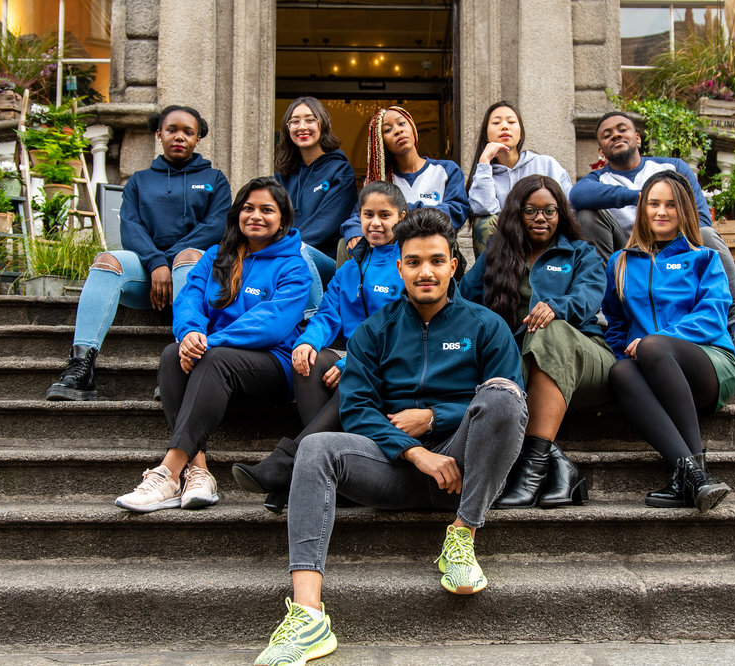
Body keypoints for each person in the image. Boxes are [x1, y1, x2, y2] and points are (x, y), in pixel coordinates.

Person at [252, 209, 527, 666]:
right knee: (316, 447)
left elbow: (510, 403)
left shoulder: (485, 325)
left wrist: (434, 417)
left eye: (436, 261)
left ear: (453, 265)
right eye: (414, 262)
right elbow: (357, 408)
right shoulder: (374, 331)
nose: (425, 272)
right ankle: (308, 617)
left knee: (503, 396)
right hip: (392, 469)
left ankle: (462, 536)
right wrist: (415, 452)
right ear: (399, 266)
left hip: (465, 473)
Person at [114, 177, 312, 512]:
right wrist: (190, 333)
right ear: (237, 213)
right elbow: (189, 299)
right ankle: (199, 471)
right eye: (248, 208)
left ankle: (168, 473)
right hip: (215, 361)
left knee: (213, 358)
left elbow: (271, 324)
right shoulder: (215, 257)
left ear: (282, 220)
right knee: (171, 354)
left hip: (272, 365)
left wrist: (208, 342)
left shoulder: (294, 266)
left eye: (267, 210)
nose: (256, 216)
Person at [231, 181, 407, 513]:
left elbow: (402, 328)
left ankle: (289, 464)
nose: (375, 223)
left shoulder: (406, 263)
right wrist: (307, 342)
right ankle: (322, 470)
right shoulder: (349, 268)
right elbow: (327, 315)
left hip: (392, 361)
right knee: (308, 362)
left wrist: (354, 361)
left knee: (353, 375)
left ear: (402, 216)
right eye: (368, 215)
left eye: (385, 215)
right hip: (359, 358)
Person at [46, 105, 231, 401]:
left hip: (193, 277)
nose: (179, 137)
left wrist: (167, 261)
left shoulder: (215, 179)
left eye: (188, 132)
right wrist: (156, 263)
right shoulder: (139, 180)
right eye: (172, 130)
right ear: (159, 134)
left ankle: (183, 365)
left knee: (187, 257)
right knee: (106, 261)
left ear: (198, 139)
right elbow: (130, 227)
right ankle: (81, 367)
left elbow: (216, 227)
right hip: (149, 274)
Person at [569, 111, 735, 381]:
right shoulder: (597, 180)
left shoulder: (672, 167)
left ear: (638, 138)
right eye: (607, 134)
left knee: (707, 234)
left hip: (676, 250)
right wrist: (638, 197)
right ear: (600, 149)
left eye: (622, 129)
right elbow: (577, 195)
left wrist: (668, 243)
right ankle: (605, 311)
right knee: (587, 215)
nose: (615, 135)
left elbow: (699, 217)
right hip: (631, 257)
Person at [461, 174, 614, 508]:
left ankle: (530, 474)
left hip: (585, 359)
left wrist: (556, 307)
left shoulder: (581, 253)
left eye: (549, 211)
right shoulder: (496, 254)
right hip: (521, 365)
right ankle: (558, 466)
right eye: (530, 211)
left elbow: (589, 297)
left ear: (561, 213)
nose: (540, 218)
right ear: (517, 213)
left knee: (548, 330)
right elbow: (463, 302)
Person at [602, 170, 735, 513]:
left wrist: (658, 338)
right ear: (642, 210)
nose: (661, 212)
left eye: (670, 205)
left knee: (652, 346)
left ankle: (696, 468)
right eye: (653, 204)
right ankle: (694, 477)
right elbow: (616, 323)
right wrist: (623, 352)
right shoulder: (620, 262)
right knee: (620, 371)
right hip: (652, 370)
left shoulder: (703, 257)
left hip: (707, 362)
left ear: (684, 210)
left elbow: (712, 315)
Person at [338, 106, 469, 262]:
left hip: (434, 249)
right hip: (391, 254)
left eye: (402, 123)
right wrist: (353, 230)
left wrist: (402, 212)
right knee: (344, 244)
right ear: (380, 142)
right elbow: (359, 215)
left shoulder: (447, 169)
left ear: (412, 128)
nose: (398, 131)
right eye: (388, 130)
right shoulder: (380, 179)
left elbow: (456, 211)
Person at [466, 101, 573, 257]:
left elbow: (570, 207)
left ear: (521, 132)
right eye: (496, 122)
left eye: (511, 122)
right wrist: (484, 161)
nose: (504, 127)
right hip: (506, 249)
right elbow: (483, 209)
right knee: (483, 222)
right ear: (486, 134)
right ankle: (491, 273)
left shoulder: (545, 164)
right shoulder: (485, 173)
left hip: (546, 238)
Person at [275, 96, 358, 286]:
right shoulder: (282, 175)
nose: (302, 126)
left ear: (322, 124)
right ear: (287, 128)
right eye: (295, 121)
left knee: (299, 256)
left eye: (309, 120)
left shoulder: (340, 171)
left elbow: (325, 226)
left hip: (323, 260)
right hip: (286, 255)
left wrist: (283, 249)